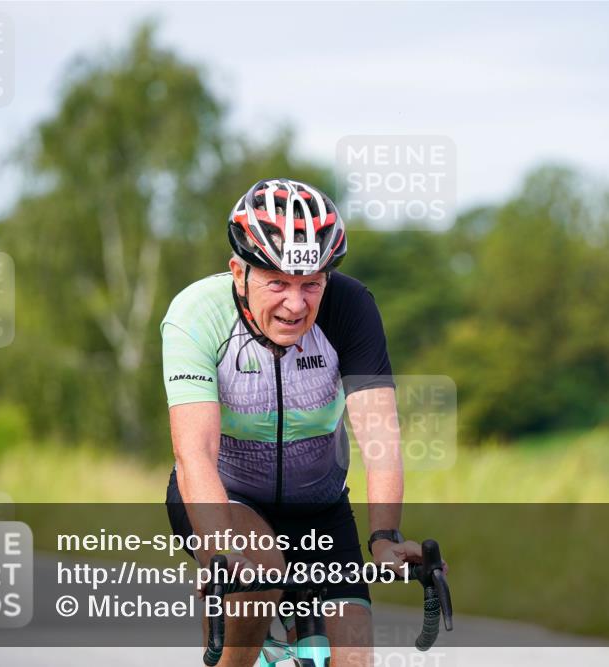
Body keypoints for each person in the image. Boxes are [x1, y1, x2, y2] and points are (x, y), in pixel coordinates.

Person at [163, 178, 419, 666]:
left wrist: (385, 537)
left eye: (311, 283)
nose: (296, 304)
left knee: (355, 657)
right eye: (277, 282)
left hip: (319, 508)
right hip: (230, 499)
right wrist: (220, 551)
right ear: (238, 272)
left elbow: (380, 436)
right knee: (255, 581)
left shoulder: (351, 308)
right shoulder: (197, 314)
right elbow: (194, 453)